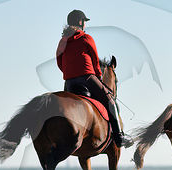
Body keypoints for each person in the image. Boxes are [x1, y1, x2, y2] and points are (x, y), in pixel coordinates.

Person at [56, 9, 132, 148]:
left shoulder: (63, 41)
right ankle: (119, 137)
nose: (85, 24)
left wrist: (69, 73)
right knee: (111, 101)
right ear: (81, 22)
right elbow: (95, 61)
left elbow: (59, 62)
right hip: (87, 78)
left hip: (69, 83)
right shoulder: (86, 38)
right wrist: (97, 76)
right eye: (84, 21)